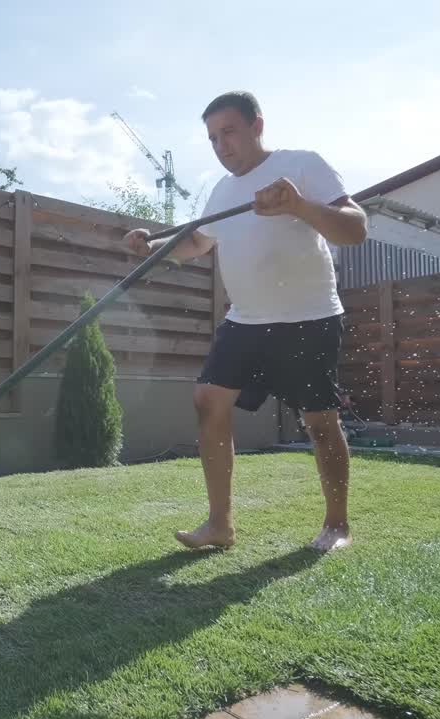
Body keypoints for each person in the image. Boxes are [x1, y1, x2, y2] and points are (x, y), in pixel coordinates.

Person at [123, 91, 368, 552]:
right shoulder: (221, 191)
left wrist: (299, 207)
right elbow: (196, 243)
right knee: (208, 400)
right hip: (246, 320)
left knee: (318, 421)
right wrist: (151, 248)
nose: (221, 145)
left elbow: (355, 228)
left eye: (229, 131)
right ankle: (220, 524)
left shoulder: (301, 164)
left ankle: (337, 525)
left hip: (309, 316)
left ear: (258, 125)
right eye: (213, 137)